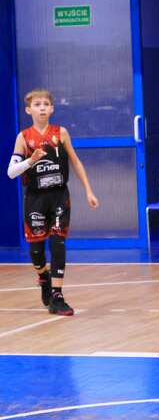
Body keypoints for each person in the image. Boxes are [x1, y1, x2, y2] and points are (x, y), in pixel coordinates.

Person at [7, 89, 99, 316]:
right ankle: (43, 277)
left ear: (52, 109)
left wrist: (89, 191)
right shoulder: (23, 137)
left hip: (59, 196)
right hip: (35, 199)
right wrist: (31, 160)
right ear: (28, 110)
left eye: (46, 104)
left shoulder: (61, 133)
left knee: (58, 243)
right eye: (37, 104)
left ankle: (57, 296)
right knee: (36, 250)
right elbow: (11, 172)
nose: (42, 108)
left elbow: (76, 162)